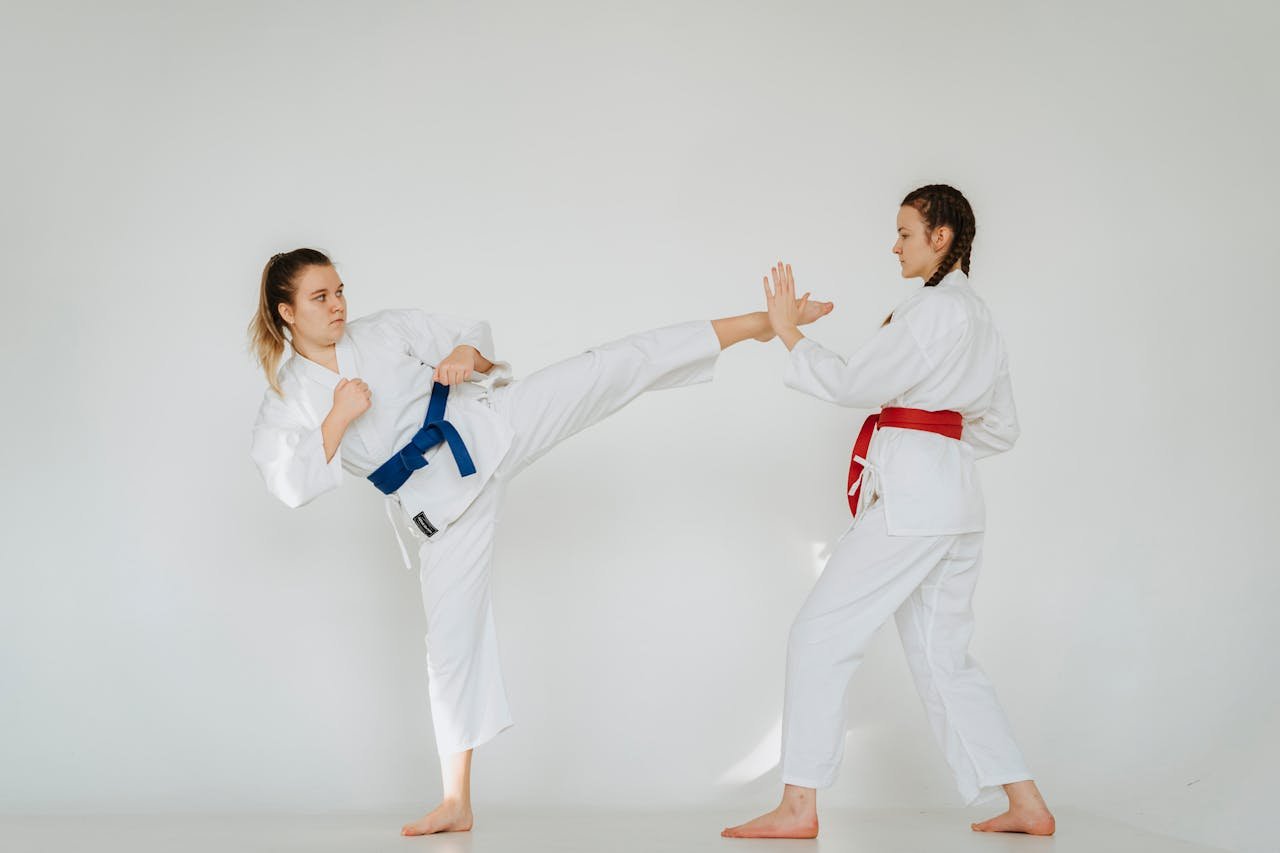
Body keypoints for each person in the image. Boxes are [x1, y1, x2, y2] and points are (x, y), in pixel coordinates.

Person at [246, 248, 832, 836]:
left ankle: (762, 325)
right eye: (320, 298)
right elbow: (289, 482)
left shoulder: (385, 330)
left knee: (608, 365)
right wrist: (337, 417)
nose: (339, 305)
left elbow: (474, 346)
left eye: (340, 290)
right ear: (287, 312)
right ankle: (457, 802)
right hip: (442, 509)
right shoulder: (286, 397)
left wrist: (463, 357)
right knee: (450, 648)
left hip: (491, 426)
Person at [722, 185, 1055, 839]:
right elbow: (1001, 428)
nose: (894, 245)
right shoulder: (980, 316)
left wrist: (787, 330)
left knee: (819, 634)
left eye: (905, 232)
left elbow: (853, 385)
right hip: (956, 501)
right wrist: (939, 445)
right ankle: (1027, 801)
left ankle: (799, 804)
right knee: (944, 657)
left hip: (916, 504)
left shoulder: (932, 311)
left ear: (941, 236)